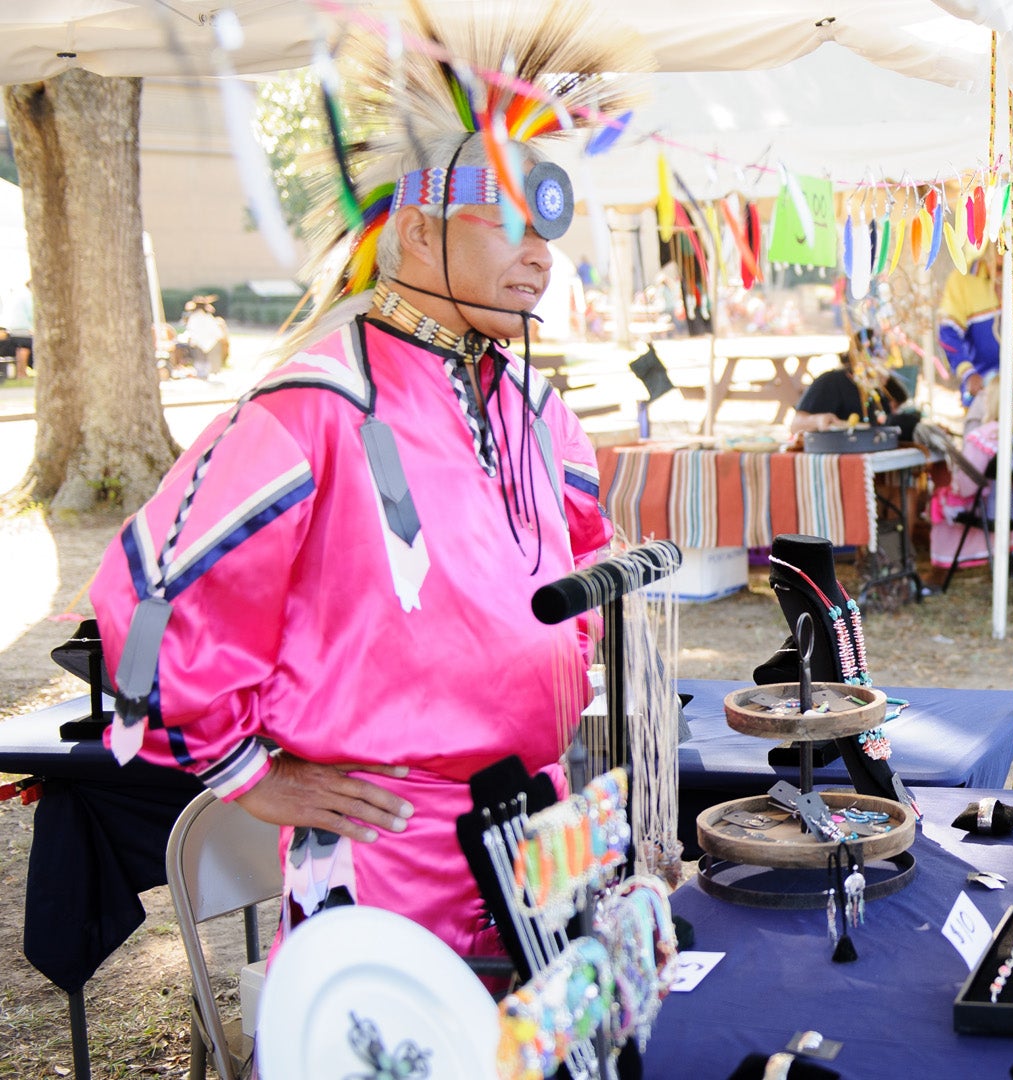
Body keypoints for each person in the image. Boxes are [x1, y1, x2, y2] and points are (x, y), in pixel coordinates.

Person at [88, 4, 641, 960]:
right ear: (421, 232)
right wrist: (246, 772)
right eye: (508, 221)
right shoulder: (318, 403)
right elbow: (154, 588)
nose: (541, 256)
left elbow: (579, 576)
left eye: (549, 228)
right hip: (391, 846)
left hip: (537, 825)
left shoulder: (535, 409)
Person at [939, 247, 1013, 404]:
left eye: (1010, 267)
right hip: (981, 387)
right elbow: (948, 333)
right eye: (999, 268)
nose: (1003, 275)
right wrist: (968, 373)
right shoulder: (962, 280)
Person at [789, 327, 918, 438]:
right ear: (862, 358)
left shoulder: (877, 391)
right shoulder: (832, 382)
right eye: (882, 357)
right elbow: (796, 425)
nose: (889, 366)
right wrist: (817, 421)